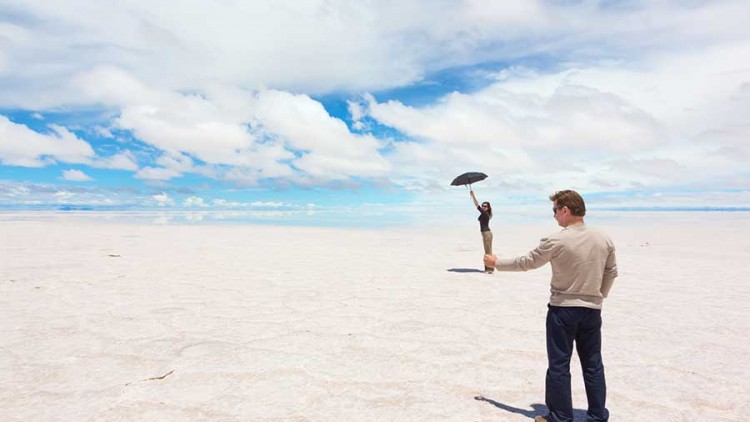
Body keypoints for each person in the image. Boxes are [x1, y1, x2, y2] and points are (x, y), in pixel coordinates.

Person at [484, 190, 618, 422]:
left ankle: (560, 417)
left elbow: (527, 263)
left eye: (555, 210)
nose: (554, 216)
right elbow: (612, 272)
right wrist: (597, 297)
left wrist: (497, 263)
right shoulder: (603, 238)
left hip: (563, 310)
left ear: (566, 210)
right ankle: (597, 416)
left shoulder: (557, 240)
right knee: (593, 364)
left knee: (559, 365)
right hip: (592, 311)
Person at [470, 189, 493, 273]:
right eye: (483, 206)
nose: (483, 207)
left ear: (488, 208)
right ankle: (488, 268)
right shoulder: (484, 214)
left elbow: (477, 205)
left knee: (488, 252)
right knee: (487, 251)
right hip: (486, 233)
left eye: (485, 206)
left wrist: (473, 196)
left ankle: (490, 269)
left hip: (486, 233)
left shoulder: (485, 213)